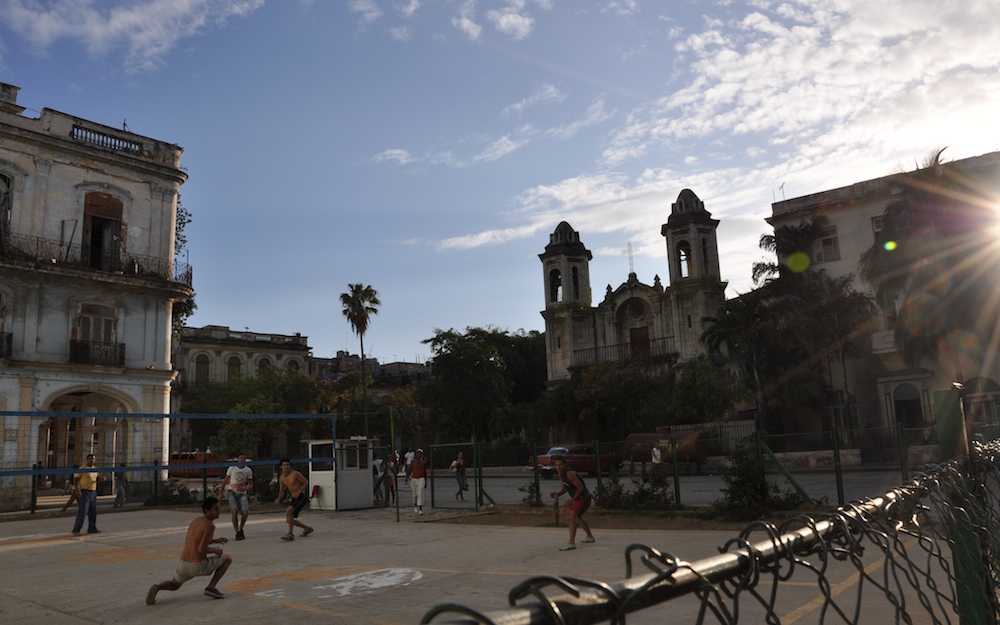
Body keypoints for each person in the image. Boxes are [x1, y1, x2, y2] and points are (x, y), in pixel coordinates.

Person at [145, 496, 232, 604]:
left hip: (183, 564)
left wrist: (215, 541)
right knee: (227, 559)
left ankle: (157, 587)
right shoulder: (210, 525)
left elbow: (196, 541)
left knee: (174, 585)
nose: (219, 511)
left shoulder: (196, 521)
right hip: (198, 565)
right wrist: (215, 550)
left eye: (218, 508)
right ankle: (211, 587)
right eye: (215, 509)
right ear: (207, 511)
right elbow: (201, 548)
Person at [550, 455, 595, 551]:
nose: (558, 467)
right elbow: (565, 487)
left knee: (571, 516)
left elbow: (581, 488)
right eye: (556, 465)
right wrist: (558, 494)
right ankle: (590, 537)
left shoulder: (570, 474)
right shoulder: (561, 474)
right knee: (577, 516)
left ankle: (571, 543)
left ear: (565, 464)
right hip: (579, 499)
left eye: (560, 465)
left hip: (583, 498)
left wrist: (571, 501)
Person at [275, 458, 313, 541]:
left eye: (288, 465)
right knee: (289, 520)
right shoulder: (282, 478)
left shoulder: (295, 474)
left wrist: (299, 492)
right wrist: (278, 498)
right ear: (281, 467)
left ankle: (290, 534)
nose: (286, 467)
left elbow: (306, 482)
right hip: (294, 498)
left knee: (289, 511)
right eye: (284, 465)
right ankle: (307, 528)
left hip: (301, 497)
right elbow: (281, 491)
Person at [220, 453, 253, 540]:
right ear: (237, 459)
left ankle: (241, 528)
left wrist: (245, 488)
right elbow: (225, 481)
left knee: (245, 512)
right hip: (232, 492)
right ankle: (237, 531)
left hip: (242, 493)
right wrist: (220, 493)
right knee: (234, 511)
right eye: (241, 458)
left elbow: (251, 484)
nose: (242, 459)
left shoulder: (248, 470)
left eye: (244, 458)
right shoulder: (232, 468)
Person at [71, 453, 104, 536]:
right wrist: (77, 490)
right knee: (83, 511)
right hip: (85, 492)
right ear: (87, 460)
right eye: (91, 459)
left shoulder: (94, 469)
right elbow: (75, 479)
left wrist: (101, 479)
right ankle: (76, 529)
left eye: (93, 459)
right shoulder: (83, 468)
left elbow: (96, 479)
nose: (92, 460)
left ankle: (92, 528)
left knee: (93, 512)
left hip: (93, 491)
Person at [411, 448, 426, 515]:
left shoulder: (423, 462)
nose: (419, 454)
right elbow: (409, 469)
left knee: (420, 493)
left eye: (420, 453)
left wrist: (426, 481)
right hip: (414, 479)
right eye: (418, 453)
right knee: (415, 494)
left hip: (421, 478)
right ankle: (415, 505)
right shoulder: (413, 461)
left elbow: (424, 471)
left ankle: (420, 508)